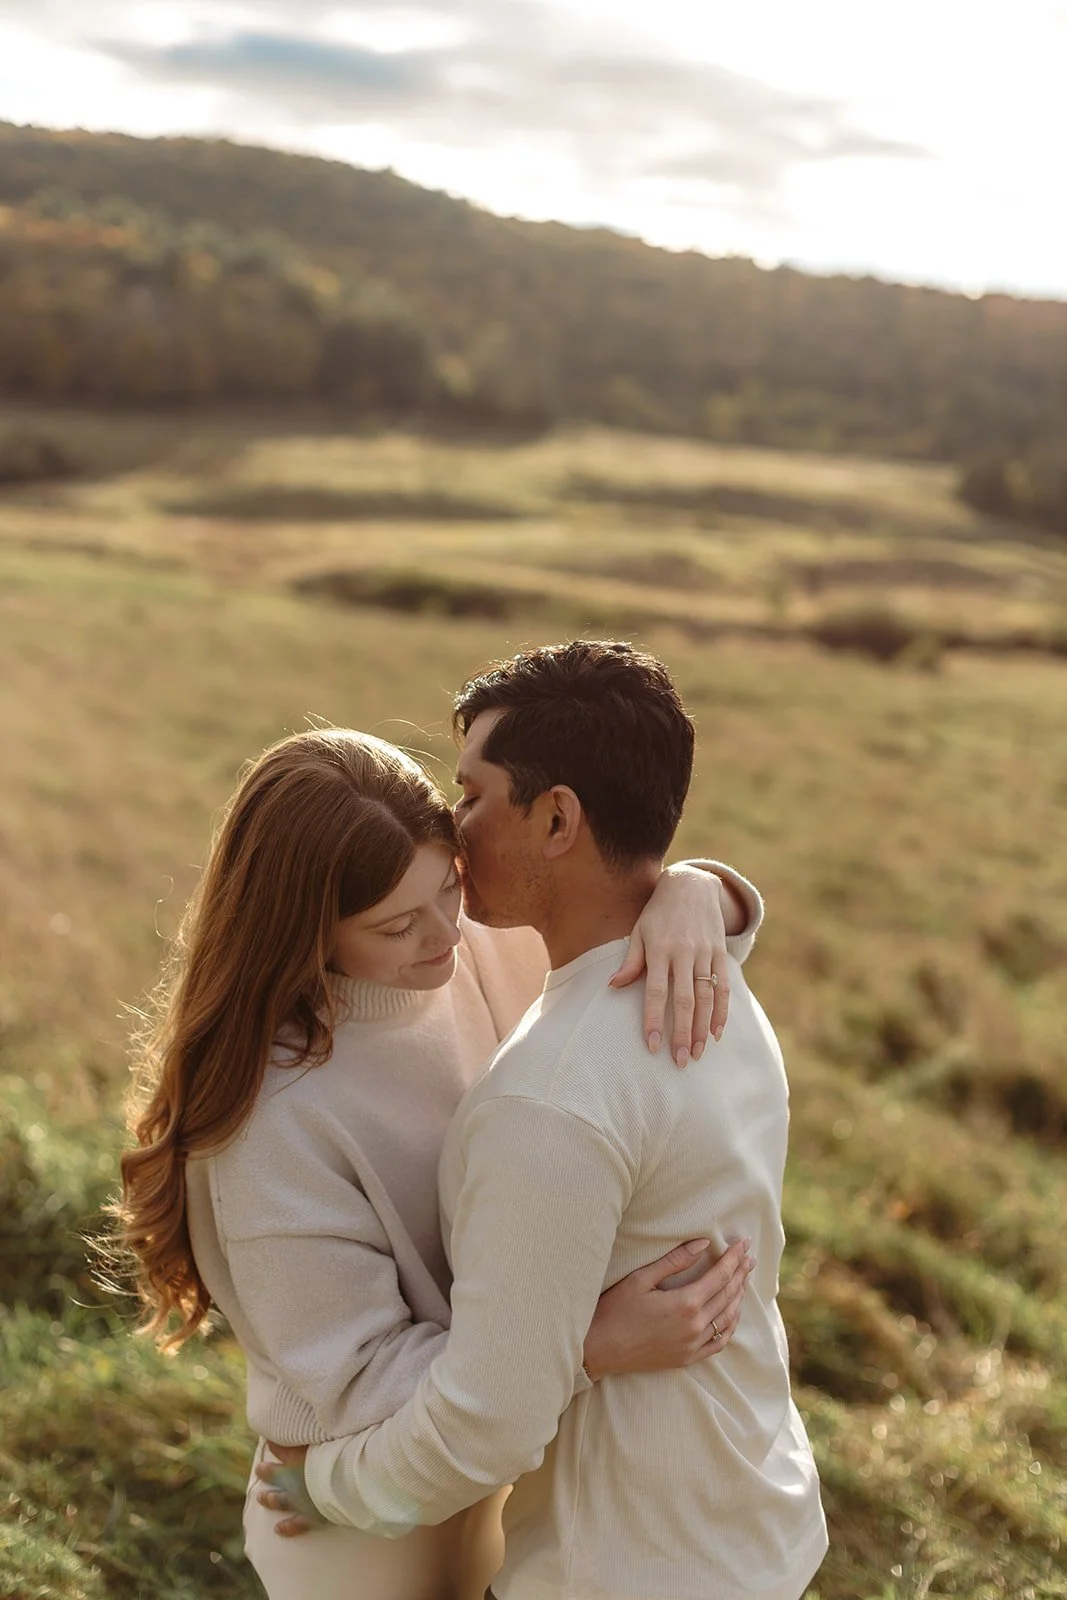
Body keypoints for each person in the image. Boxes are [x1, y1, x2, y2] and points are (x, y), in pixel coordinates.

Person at [117, 712, 765, 1600]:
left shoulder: (464, 946)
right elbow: (361, 1378)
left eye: (449, 892)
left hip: (495, 1458)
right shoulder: (268, 1125)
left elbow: (607, 915)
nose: (447, 938)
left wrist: (695, 891)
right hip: (357, 1511)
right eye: (394, 926)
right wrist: (587, 1345)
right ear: (305, 932)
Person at [262, 641, 828, 1600]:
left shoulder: (549, 1095)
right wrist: (700, 885)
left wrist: (326, 1491)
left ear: (557, 816)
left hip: (615, 1567)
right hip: (757, 1521)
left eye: (472, 793)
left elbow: (487, 1426)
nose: (451, 821)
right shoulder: (708, 978)